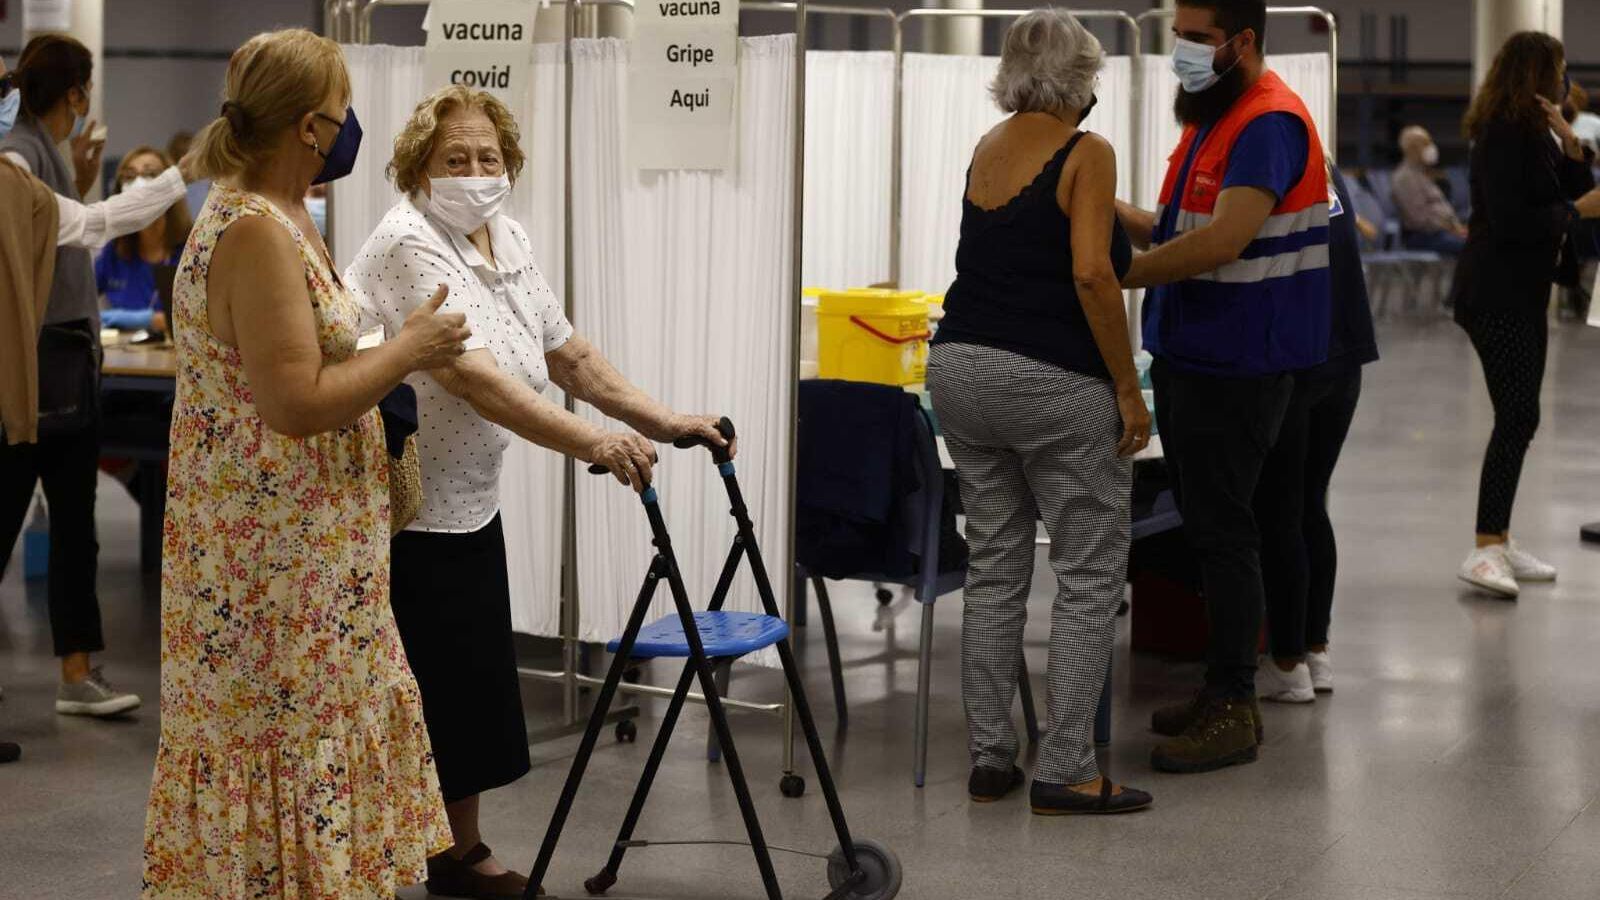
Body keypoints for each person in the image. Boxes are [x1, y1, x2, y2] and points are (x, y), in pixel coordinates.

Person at [345, 83, 733, 897]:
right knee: (425, 685)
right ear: (419, 166)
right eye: (455, 158)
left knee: (467, 681)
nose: (475, 170)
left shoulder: (504, 235)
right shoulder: (409, 242)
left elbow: (567, 355)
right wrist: (594, 439)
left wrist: (662, 419)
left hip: (469, 498)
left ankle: (455, 851)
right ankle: (404, 858)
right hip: (401, 511)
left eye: (489, 156)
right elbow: (476, 379)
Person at [140, 29, 460, 897]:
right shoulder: (254, 232)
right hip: (274, 569)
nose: (353, 124)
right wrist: (412, 349)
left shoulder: (281, 216)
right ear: (309, 127)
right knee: (285, 745)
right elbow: (294, 405)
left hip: (314, 556)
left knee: (314, 739)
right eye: (343, 107)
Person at [923, 9, 1153, 816]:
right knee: (1089, 576)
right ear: (1082, 80)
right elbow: (1093, 274)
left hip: (958, 370)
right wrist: (1126, 386)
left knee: (996, 568)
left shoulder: (990, 147)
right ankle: (1067, 767)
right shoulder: (1088, 150)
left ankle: (992, 756)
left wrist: (1124, 215)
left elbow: (1033, 232)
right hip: (1049, 382)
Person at [1115, 0, 1330, 774]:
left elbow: (1227, 240)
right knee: (1212, 528)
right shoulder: (1216, 117)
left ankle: (1235, 703)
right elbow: (1180, 230)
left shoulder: (1268, 122)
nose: (1181, 50)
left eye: (1197, 38)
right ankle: (1220, 689)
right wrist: (1098, 206)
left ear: (1242, 42)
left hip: (1240, 362)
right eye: (1178, 35)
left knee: (1225, 533)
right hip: (1198, 354)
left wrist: (1123, 274)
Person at [0, 35, 192, 721]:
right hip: (39, 373)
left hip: (60, 368)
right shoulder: (19, 159)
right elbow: (93, 225)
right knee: (39, 521)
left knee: (76, 525)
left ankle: (78, 673)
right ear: (77, 94)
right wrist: (179, 175)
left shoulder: (37, 154)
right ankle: (76, 673)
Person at [1451, 32, 1600, 598]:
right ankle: (1485, 548)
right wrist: (1573, 210)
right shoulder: (1501, 136)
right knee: (1516, 416)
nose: (1565, 82)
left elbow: (1581, 193)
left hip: (1524, 291)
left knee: (1522, 417)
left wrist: (1569, 137)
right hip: (1494, 292)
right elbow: (1516, 220)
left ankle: (1499, 535)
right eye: (1559, 71)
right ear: (1537, 75)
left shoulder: (1536, 133)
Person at [1252, 160, 1379, 703]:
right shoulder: (1325, 170)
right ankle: (1316, 651)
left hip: (1297, 363)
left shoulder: (1269, 170)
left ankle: (1286, 664)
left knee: (1281, 510)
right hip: (1342, 362)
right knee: (1309, 505)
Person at [96, 146, 190, 333]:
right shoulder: (114, 251)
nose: (139, 183)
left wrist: (148, 320)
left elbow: (198, 321)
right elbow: (79, 306)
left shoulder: (192, 249)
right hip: (123, 359)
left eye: (150, 174)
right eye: (130, 176)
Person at [1391, 126, 1468, 255]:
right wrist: (1451, 228)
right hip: (1422, 237)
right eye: (1425, 143)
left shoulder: (1421, 174)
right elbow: (1419, 220)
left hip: (1441, 233)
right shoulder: (1404, 178)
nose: (1430, 147)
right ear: (1413, 148)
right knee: (1471, 247)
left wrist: (1457, 227)